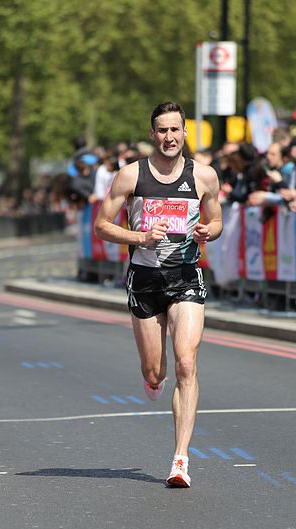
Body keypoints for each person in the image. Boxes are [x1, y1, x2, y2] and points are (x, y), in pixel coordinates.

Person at [94, 101, 222, 488]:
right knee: (157, 371)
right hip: (145, 280)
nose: (169, 137)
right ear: (153, 134)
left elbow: (216, 221)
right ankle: (153, 380)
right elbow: (101, 225)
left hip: (185, 276)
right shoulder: (130, 176)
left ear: (186, 133)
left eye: (176, 130)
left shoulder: (204, 176)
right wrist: (139, 237)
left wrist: (206, 232)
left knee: (186, 363)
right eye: (162, 131)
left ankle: (180, 459)